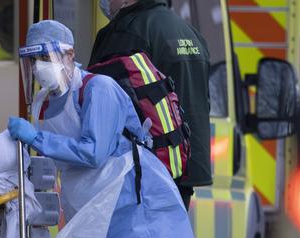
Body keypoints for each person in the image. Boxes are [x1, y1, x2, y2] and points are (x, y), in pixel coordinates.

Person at [8, 20, 215, 238]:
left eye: (45, 56)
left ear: (70, 54)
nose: (38, 66)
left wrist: (36, 138)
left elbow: (94, 152)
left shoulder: (98, 89)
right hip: (98, 225)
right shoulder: (43, 104)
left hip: (141, 215)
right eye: (33, 59)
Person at [91, 0, 212, 210]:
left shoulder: (125, 32)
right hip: (181, 168)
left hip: (142, 174)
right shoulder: (190, 33)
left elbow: (101, 104)